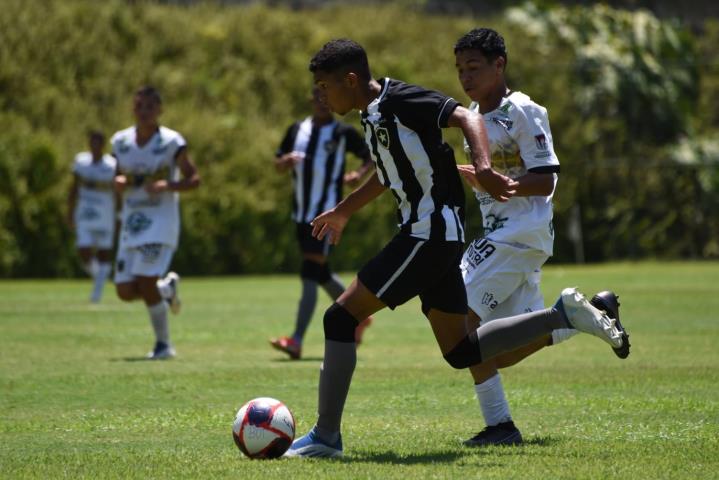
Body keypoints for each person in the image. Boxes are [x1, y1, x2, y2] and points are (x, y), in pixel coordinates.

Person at [284, 39, 629, 458]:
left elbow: (465, 116)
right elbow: (386, 174)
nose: (321, 95)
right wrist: (343, 211)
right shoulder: (372, 116)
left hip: (426, 235)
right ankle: (560, 317)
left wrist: (484, 166)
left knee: (339, 318)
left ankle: (325, 436)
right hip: (437, 237)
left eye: (324, 85)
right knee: (461, 350)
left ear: (351, 80)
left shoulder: (400, 99)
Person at [453, 28, 631, 447]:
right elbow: (492, 176)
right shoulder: (471, 115)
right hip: (504, 234)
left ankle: (501, 427)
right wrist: (481, 183)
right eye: (460, 68)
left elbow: (547, 179)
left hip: (519, 234)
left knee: (459, 325)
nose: (465, 76)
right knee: (497, 351)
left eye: (473, 67)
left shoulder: (523, 111)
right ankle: (577, 317)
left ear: (500, 64)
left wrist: (501, 186)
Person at [270, 87, 374, 360]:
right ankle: (361, 317)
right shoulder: (296, 130)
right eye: (318, 97)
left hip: (327, 213)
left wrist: (358, 174)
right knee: (321, 273)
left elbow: (371, 156)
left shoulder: (342, 133)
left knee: (309, 272)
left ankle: (296, 340)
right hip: (300, 213)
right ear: (311, 100)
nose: (322, 103)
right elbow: (277, 163)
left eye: (326, 98)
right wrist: (285, 162)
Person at [111, 86, 200, 360]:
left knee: (146, 280)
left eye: (150, 106)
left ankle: (164, 346)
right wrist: (118, 183)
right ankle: (166, 289)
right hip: (132, 221)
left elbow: (193, 179)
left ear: (160, 110)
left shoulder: (171, 142)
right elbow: (116, 178)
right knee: (125, 291)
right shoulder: (120, 142)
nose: (144, 111)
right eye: (139, 106)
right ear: (133, 109)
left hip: (160, 222)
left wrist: (167, 185)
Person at [67, 130, 117, 303]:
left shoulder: (112, 165)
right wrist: (70, 212)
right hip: (85, 214)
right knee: (84, 251)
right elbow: (73, 188)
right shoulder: (81, 162)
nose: (94, 146)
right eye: (92, 143)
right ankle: (101, 279)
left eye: (98, 143)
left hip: (105, 215)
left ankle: (97, 293)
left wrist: (119, 214)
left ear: (103, 145)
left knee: (104, 253)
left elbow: (118, 193)